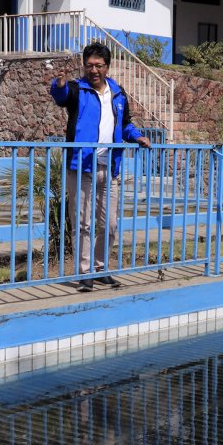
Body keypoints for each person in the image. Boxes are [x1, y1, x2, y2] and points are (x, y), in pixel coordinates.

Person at [50, 43, 151, 292]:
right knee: (83, 223)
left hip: (110, 168)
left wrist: (137, 136)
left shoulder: (117, 93)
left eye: (98, 65)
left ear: (107, 67)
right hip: (82, 166)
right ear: (84, 67)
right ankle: (85, 273)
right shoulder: (77, 89)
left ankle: (101, 268)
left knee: (110, 224)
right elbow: (61, 97)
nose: (93, 70)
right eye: (89, 65)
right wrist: (59, 85)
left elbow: (124, 124)